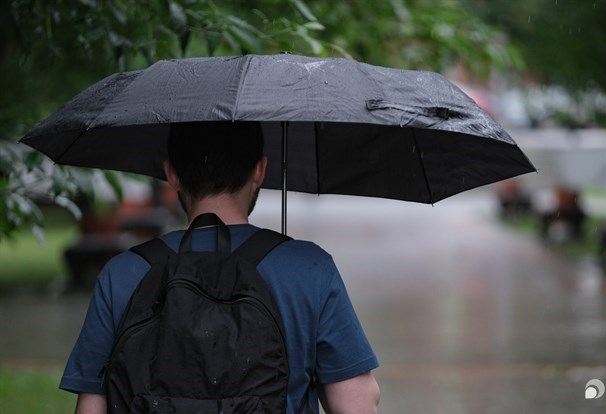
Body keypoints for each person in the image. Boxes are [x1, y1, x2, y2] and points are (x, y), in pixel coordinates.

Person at [60, 121, 381, 413]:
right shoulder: (309, 268)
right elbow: (357, 405)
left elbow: (90, 407)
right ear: (260, 170)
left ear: (171, 174)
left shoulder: (123, 273)